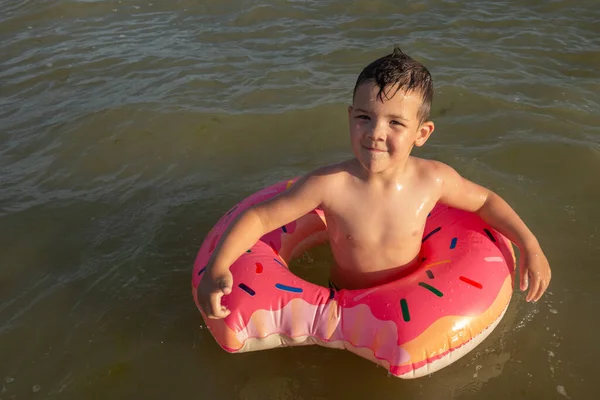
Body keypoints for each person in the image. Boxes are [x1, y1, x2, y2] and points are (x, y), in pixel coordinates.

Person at [197, 46, 551, 319]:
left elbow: (486, 201)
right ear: (350, 117)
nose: (376, 134)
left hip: (411, 298)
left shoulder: (433, 180)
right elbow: (260, 218)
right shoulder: (330, 184)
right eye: (364, 117)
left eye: (395, 123)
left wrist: (530, 247)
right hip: (341, 302)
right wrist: (218, 267)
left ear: (422, 133)